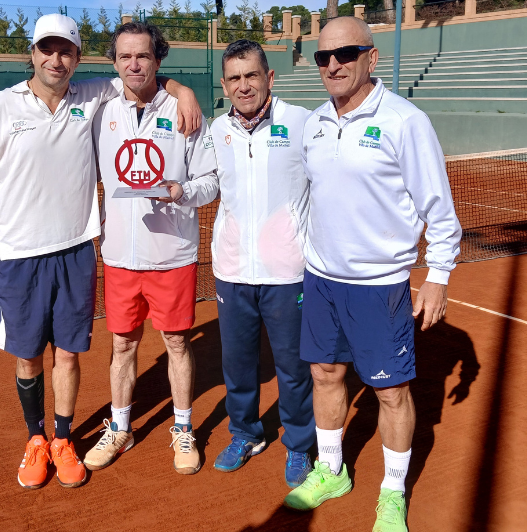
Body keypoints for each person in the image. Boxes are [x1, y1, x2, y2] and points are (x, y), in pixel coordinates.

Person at [0, 13, 201, 490]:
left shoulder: (93, 95)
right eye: (46, 49)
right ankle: (35, 439)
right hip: (20, 254)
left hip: (76, 251)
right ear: (31, 53)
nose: (56, 59)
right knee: (28, 356)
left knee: (69, 355)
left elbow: (142, 72)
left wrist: (185, 90)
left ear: (77, 57)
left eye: (66, 50)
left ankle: (64, 438)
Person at [281, 17, 462, 532]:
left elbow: (441, 212)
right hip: (320, 280)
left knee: (390, 393)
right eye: (323, 57)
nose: (333, 64)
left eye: (345, 53)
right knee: (325, 374)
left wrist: (438, 275)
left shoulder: (406, 121)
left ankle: (392, 492)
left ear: (371, 57)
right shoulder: (315, 122)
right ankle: (332, 470)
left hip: (379, 287)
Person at [83, 21, 218, 476]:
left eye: (142, 55)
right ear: (114, 62)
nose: (133, 64)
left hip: (173, 255)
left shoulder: (185, 112)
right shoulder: (101, 105)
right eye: (124, 57)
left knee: (177, 341)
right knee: (122, 343)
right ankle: (120, 427)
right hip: (120, 255)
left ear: (158, 59)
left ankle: (183, 428)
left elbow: (210, 181)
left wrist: (182, 192)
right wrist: (184, 87)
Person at [197, 39, 316, 487]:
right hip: (232, 272)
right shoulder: (217, 131)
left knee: (293, 367)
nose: (243, 86)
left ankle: (300, 446)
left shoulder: (303, 123)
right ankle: (246, 434)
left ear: (269, 78)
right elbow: (210, 187)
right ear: (225, 85)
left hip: (287, 272)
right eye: (234, 78)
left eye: (251, 75)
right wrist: (179, 192)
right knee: (238, 365)